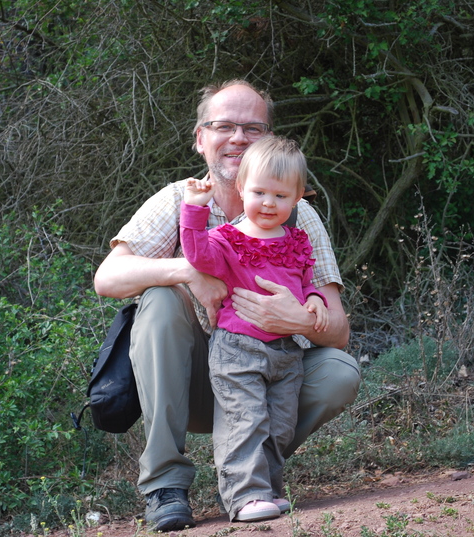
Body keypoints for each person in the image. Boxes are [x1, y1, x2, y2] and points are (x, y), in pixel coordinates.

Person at [93, 79, 361, 532]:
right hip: (193, 381)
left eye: (253, 128)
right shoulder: (179, 199)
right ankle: (165, 485)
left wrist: (299, 318)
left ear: (268, 140)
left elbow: (338, 330)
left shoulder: (300, 216)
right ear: (201, 139)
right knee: (159, 299)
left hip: (271, 372)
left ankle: (254, 478)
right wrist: (187, 271)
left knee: (340, 370)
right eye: (224, 126)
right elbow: (107, 278)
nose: (238, 138)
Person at [180, 134, 329, 522]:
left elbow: (305, 282)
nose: (268, 203)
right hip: (238, 348)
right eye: (259, 192)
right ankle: (245, 496)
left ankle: (267, 490)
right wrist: (194, 209)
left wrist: (315, 299)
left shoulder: (296, 241)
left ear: (297, 198)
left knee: (279, 427)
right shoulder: (228, 239)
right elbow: (196, 255)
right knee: (243, 422)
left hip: (286, 353)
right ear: (242, 188)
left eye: (280, 196)